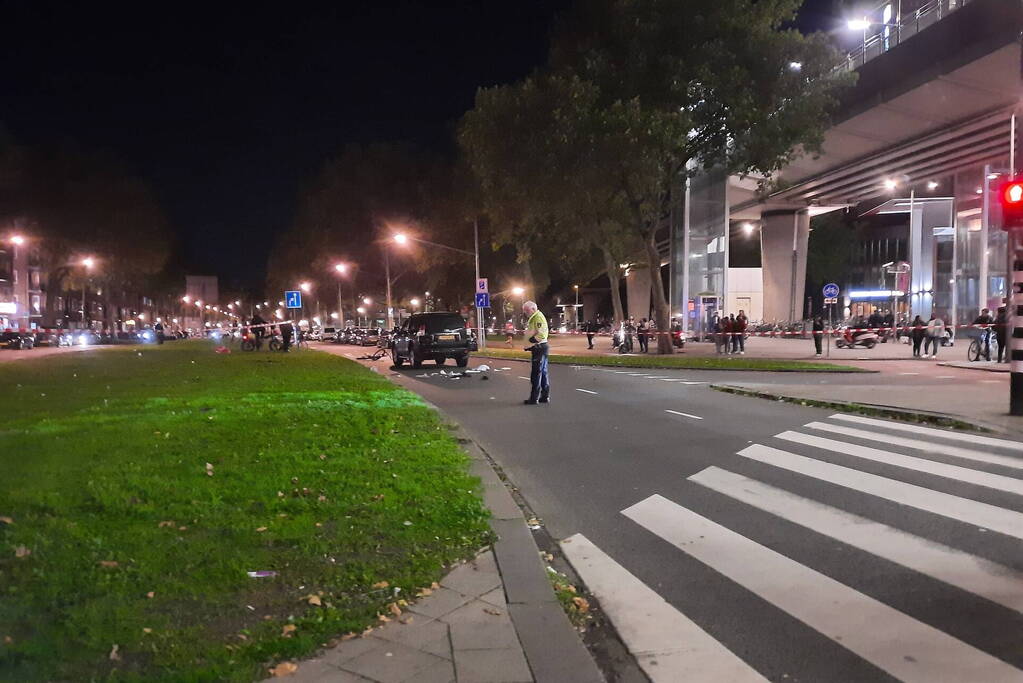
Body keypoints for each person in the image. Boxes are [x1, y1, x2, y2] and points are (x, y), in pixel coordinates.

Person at [522, 301, 550, 405]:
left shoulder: (537, 317)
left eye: (527, 310)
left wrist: (532, 341)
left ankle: (534, 398)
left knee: (536, 374)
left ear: (533, 309)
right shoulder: (535, 317)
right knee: (542, 373)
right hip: (540, 347)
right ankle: (544, 396)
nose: (525, 312)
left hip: (539, 348)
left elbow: (541, 334)